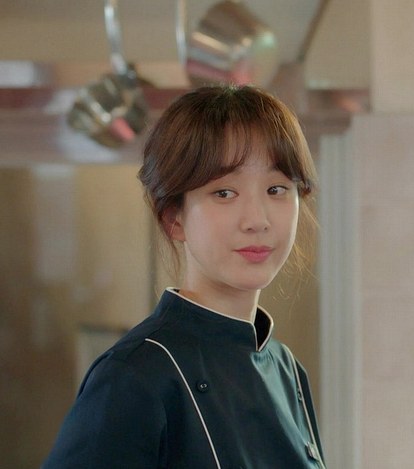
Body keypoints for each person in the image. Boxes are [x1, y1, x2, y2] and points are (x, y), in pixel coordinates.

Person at [43, 86, 326, 468]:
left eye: (276, 189)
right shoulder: (135, 375)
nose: (257, 220)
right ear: (173, 219)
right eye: (224, 193)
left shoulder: (287, 370)